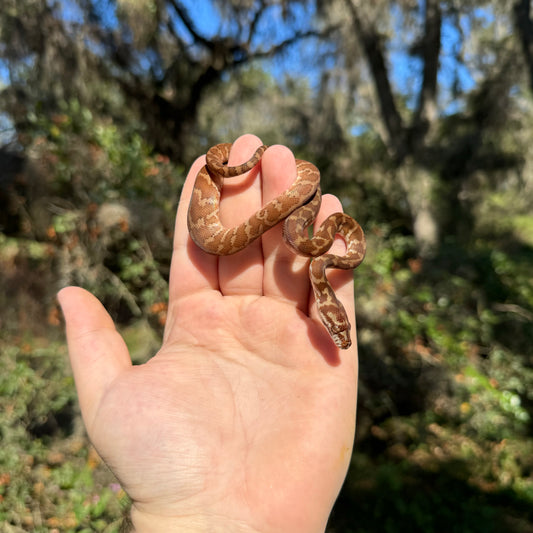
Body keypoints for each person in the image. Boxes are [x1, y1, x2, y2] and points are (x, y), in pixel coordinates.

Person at [58, 134, 359, 533]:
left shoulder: (323, 257)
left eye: (338, 330)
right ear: (329, 309)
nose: (339, 335)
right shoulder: (317, 260)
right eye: (340, 329)